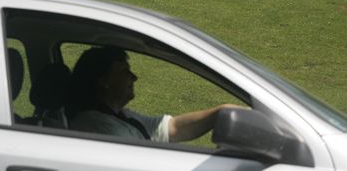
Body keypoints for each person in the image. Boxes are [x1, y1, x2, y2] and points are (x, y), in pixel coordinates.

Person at [66, 46, 243, 143]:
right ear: (103, 81)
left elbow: (172, 128)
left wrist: (221, 112)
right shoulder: (103, 130)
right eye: (124, 72)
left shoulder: (121, 117)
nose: (134, 77)